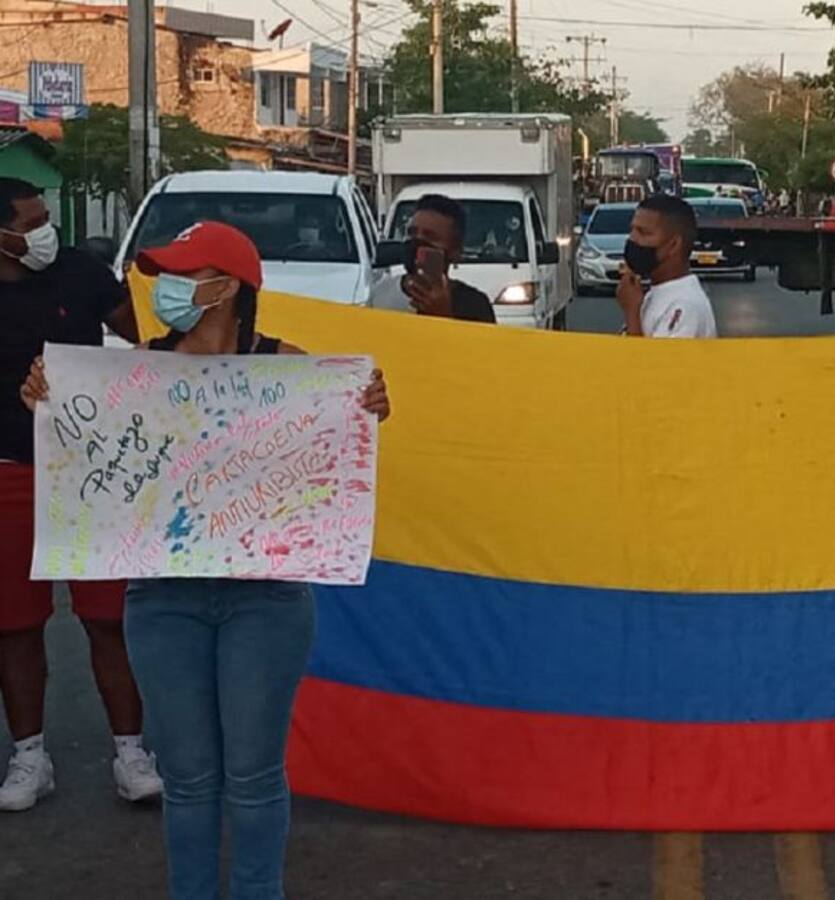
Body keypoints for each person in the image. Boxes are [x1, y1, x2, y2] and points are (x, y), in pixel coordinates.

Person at [22, 220, 390, 898]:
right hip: (163, 600)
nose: (164, 289)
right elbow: (80, 435)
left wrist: (365, 403)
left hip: (266, 599)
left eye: (182, 276)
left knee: (252, 773)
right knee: (188, 778)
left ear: (226, 288)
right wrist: (47, 396)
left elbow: (335, 439)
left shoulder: (288, 366)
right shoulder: (131, 374)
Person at [0, 177, 161, 812]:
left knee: (108, 617)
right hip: (9, 470)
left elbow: (151, 343)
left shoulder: (81, 273)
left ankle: (131, 751)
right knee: (14, 625)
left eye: (46, 219)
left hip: (92, 471)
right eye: (31, 222)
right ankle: (29, 755)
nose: (46, 231)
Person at [378, 193, 496, 323]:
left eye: (430, 237)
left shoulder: (475, 305)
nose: (418, 241)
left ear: (455, 251)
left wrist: (443, 315)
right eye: (412, 233)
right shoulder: (380, 294)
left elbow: (479, 344)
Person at [615, 194, 718, 338]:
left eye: (643, 233)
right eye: (632, 230)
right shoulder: (654, 294)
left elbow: (656, 360)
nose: (633, 238)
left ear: (674, 245)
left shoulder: (685, 306)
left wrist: (632, 312)